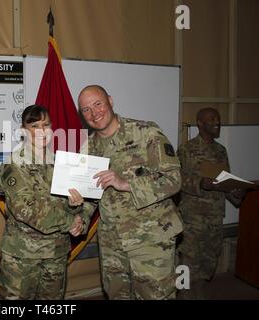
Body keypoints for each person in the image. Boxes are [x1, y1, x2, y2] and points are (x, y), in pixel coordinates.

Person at [77, 85, 183, 300]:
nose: (94, 113)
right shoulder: (88, 149)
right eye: (86, 109)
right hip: (111, 243)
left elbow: (174, 180)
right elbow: (91, 196)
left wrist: (127, 184)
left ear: (110, 101)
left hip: (151, 240)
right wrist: (81, 216)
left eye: (98, 104)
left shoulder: (146, 132)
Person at [0, 104, 96, 299]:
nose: (42, 131)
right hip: (23, 257)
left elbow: (70, 204)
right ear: (24, 131)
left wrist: (77, 210)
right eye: (35, 126)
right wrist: (69, 222)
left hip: (56, 253)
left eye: (46, 125)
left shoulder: (61, 163)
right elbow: (26, 210)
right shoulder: (14, 165)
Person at [176, 107, 244, 299]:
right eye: (212, 119)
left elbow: (225, 180)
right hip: (192, 218)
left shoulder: (221, 150)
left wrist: (235, 192)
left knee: (208, 260)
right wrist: (200, 183)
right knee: (187, 261)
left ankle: (198, 289)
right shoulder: (187, 149)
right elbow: (175, 180)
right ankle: (183, 293)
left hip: (214, 216)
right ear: (200, 123)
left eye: (218, 119)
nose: (217, 122)